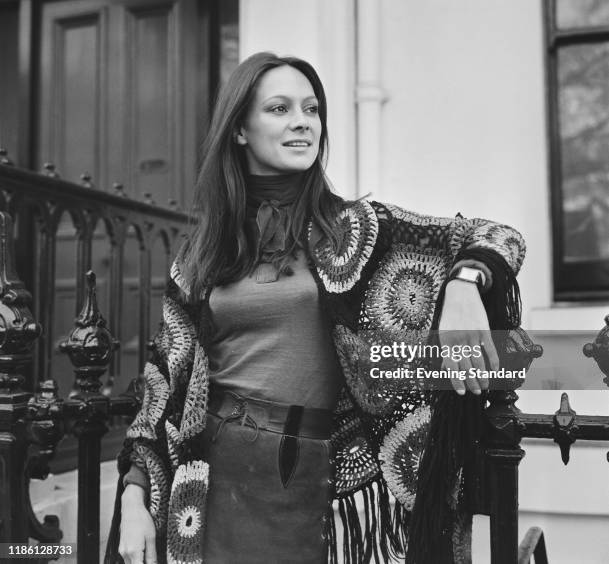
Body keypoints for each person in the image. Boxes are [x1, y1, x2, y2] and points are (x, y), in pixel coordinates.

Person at [105, 52, 525, 564]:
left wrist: (464, 283)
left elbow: (497, 235)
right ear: (239, 129)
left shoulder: (358, 230)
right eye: (279, 109)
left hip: (322, 479)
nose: (302, 121)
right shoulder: (202, 253)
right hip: (215, 477)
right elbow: (161, 383)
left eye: (311, 109)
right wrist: (133, 496)